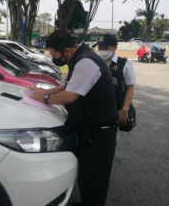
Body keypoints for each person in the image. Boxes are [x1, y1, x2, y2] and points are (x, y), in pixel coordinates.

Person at [28, 30, 118, 206]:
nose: (54, 58)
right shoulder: (80, 58)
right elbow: (67, 85)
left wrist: (44, 99)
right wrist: (44, 92)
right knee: (86, 171)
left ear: (66, 51)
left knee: (95, 174)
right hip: (91, 127)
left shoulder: (86, 62)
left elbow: (70, 96)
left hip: (99, 130)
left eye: (55, 54)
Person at [97, 35, 137, 125]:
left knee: (108, 134)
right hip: (97, 108)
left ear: (114, 47)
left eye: (105, 48)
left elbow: (130, 87)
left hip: (114, 109)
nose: (102, 50)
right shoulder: (97, 62)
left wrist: (125, 108)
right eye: (100, 48)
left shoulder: (124, 64)